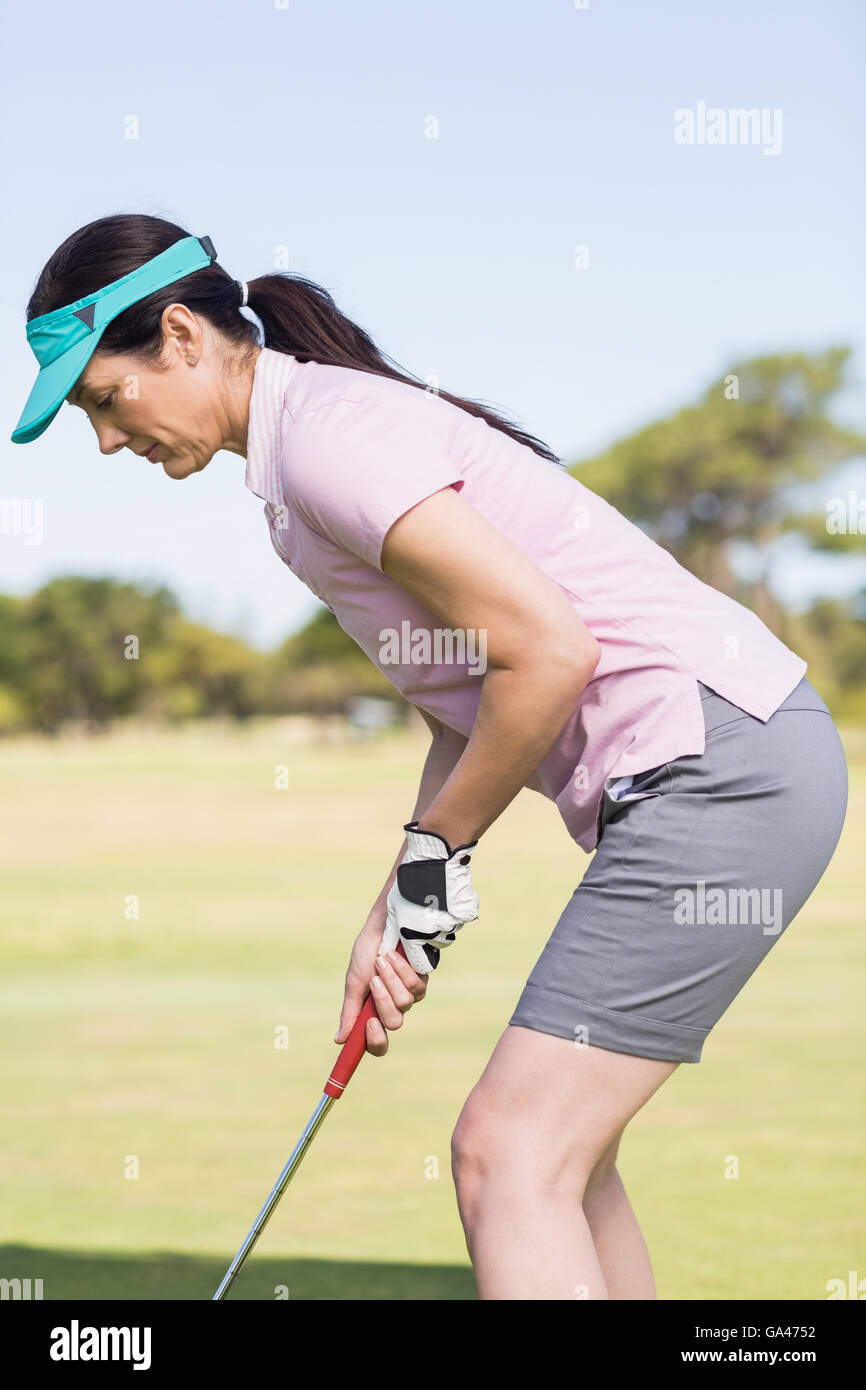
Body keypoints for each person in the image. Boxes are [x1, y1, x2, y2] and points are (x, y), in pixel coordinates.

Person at [12, 213, 849, 1300]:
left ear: (178, 334)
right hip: (726, 760)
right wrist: (399, 899)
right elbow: (466, 699)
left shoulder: (327, 442)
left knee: (504, 1157)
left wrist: (433, 854)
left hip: (716, 763)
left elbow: (548, 653)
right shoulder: (295, 466)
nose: (109, 443)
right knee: (568, 1168)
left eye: (106, 402)